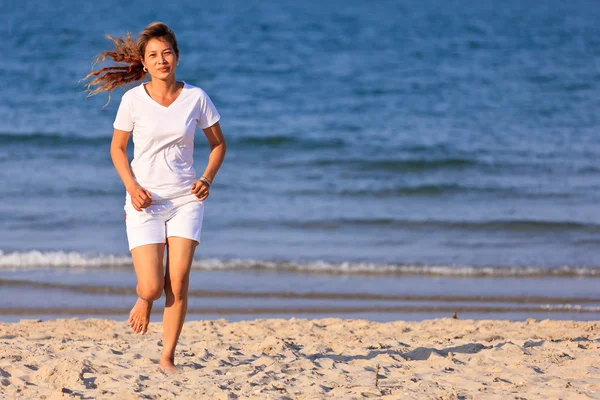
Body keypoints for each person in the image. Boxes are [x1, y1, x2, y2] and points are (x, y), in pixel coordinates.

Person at [82, 22, 226, 374]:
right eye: (153, 55)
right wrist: (132, 187)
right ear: (144, 64)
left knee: (177, 281)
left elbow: (218, 144)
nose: (161, 60)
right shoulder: (133, 100)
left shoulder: (196, 98)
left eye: (167, 53)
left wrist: (207, 177)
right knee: (151, 286)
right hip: (144, 201)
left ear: (177, 57)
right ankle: (144, 299)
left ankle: (167, 357)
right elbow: (117, 149)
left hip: (185, 200)